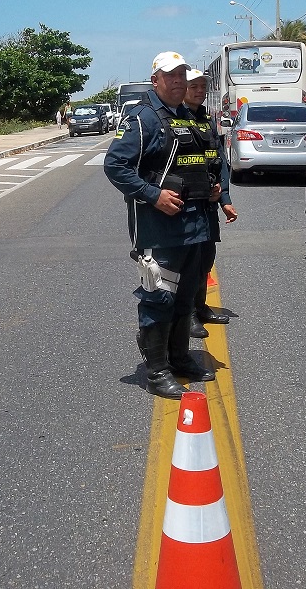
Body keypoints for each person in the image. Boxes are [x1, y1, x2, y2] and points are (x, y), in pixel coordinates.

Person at [104, 51, 221, 399]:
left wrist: (213, 188)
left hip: (195, 224)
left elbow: (199, 161)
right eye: (170, 76)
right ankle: (156, 372)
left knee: (185, 296)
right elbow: (115, 165)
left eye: (182, 74)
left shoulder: (187, 116)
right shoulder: (142, 118)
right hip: (160, 228)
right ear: (155, 80)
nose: (178, 81)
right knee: (159, 297)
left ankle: (180, 358)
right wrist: (153, 195)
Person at [183, 69, 238, 339]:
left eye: (202, 86)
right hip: (186, 205)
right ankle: (188, 316)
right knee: (189, 263)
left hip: (208, 203)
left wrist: (224, 198)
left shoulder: (206, 119)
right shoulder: (175, 119)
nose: (199, 91)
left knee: (206, 258)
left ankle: (201, 307)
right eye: (193, 86)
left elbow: (219, 161)